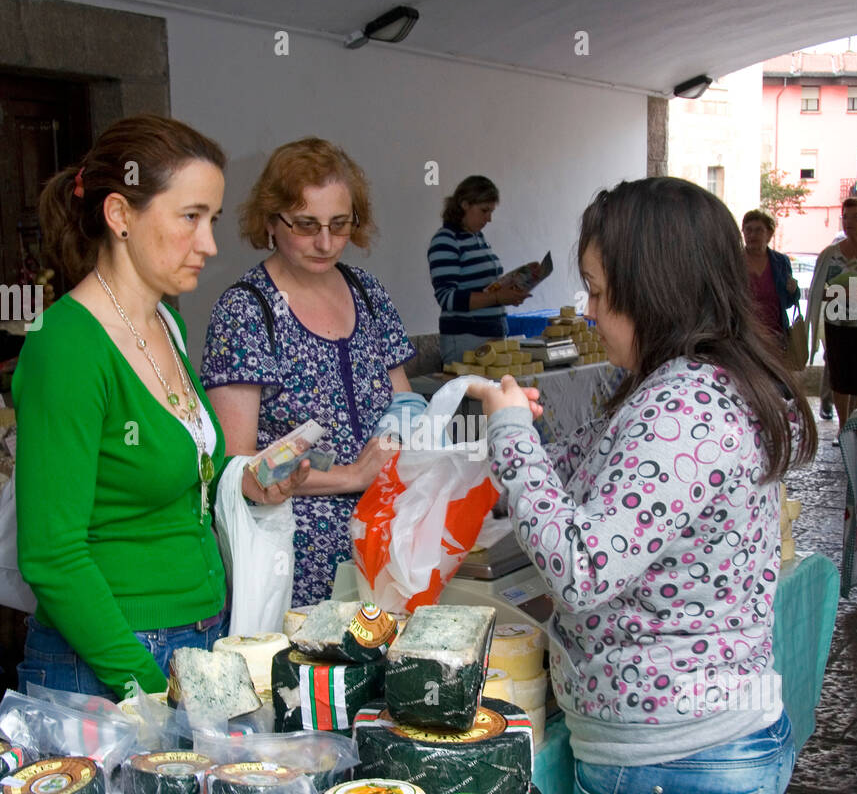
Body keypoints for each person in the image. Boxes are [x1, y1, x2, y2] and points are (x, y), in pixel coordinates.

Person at [467, 177, 817, 794]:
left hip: (676, 760)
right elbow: (591, 472)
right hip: (694, 744)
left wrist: (508, 437)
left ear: (652, 288)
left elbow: (583, 568)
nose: (590, 313)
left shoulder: (685, 406)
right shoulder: (682, 383)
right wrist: (523, 443)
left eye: (599, 292)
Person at [13, 115, 304, 702]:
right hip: (111, 657)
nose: (210, 244)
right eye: (191, 217)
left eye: (213, 219)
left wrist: (248, 479)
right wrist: (146, 690)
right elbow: (51, 555)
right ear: (120, 216)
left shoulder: (164, 324)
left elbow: (178, 470)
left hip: (196, 637)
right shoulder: (66, 345)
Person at [202, 137, 414, 605]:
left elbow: (403, 403)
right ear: (271, 222)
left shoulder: (368, 292)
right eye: (306, 225)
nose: (325, 242)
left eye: (339, 225)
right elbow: (239, 464)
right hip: (298, 559)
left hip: (387, 542)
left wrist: (412, 435)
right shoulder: (246, 311)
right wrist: (353, 476)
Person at [427, 175, 530, 364]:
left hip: (493, 333)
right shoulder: (446, 240)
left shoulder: (477, 237)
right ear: (465, 204)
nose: (489, 218)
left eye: (491, 211)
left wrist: (513, 289)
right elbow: (448, 298)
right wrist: (498, 298)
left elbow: (484, 286)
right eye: (484, 211)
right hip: (466, 338)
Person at [805, 197, 857, 435]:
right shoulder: (830, 254)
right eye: (846, 217)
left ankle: (856, 425)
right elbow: (817, 289)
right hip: (836, 324)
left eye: (855, 217)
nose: (849, 222)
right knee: (839, 376)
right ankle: (843, 427)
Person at [741, 209, 799, 350]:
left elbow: (788, 302)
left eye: (759, 230)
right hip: (744, 336)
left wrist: (793, 290)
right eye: (748, 230)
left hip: (775, 337)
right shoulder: (734, 261)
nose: (752, 235)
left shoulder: (781, 262)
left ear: (769, 234)